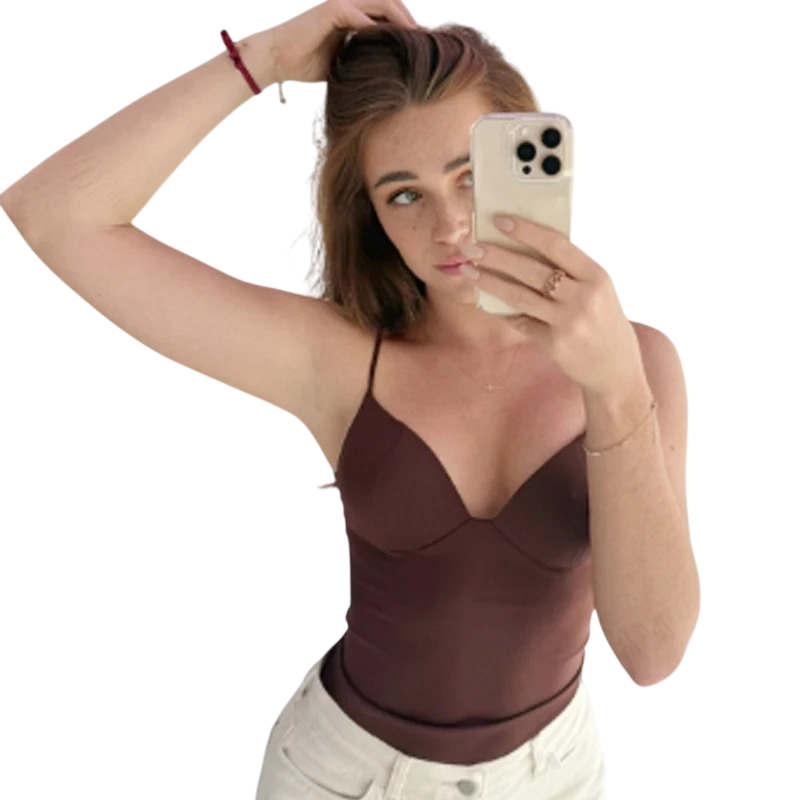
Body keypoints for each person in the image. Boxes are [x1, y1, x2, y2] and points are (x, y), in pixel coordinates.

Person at [0, 1, 700, 798]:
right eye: (404, 195)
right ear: (370, 214)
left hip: (554, 778)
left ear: (526, 154)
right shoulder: (337, 362)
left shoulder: (641, 364)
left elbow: (654, 652)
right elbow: (55, 215)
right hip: (346, 777)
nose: (450, 226)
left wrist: (613, 388)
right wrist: (261, 58)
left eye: (470, 176)